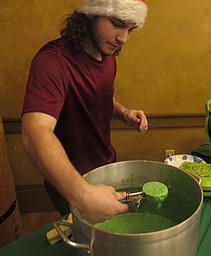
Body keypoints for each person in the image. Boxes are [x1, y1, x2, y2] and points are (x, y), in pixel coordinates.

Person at [21, 0, 148, 224]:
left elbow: (100, 96)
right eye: (117, 24)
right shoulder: (52, 62)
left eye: (130, 29)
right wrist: (83, 194)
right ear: (91, 14)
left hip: (106, 165)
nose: (123, 39)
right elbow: (35, 132)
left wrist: (122, 112)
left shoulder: (107, 55)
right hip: (71, 180)